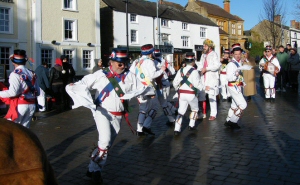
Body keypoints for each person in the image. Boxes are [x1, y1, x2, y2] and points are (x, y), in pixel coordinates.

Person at [66, 48, 149, 183]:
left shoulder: (131, 76)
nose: (122, 65)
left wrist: (148, 92)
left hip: (118, 115)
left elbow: (142, 88)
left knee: (106, 145)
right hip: (102, 112)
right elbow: (83, 83)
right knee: (104, 142)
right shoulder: (100, 75)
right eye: (118, 62)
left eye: (124, 62)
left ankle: (91, 168)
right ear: (111, 61)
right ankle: (97, 172)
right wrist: (74, 86)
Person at [131, 44, 166, 136]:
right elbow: (153, 75)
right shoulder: (149, 62)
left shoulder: (136, 61)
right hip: (149, 88)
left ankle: (139, 130)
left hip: (138, 88)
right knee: (155, 107)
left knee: (142, 109)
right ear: (151, 53)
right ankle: (146, 125)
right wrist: (162, 70)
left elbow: (130, 74)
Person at [0, 49, 39, 128]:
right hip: (32, 105)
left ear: (13, 62)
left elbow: (13, 92)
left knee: (12, 129)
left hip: (20, 106)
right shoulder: (32, 73)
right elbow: (37, 92)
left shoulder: (14, 74)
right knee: (25, 130)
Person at [172, 52, 204, 135]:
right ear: (193, 61)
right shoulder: (195, 71)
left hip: (182, 94)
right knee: (195, 109)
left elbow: (175, 82)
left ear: (185, 61)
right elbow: (197, 84)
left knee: (180, 112)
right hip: (191, 94)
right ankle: (191, 125)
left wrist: (177, 89)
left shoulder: (180, 70)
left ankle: (176, 129)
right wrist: (203, 88)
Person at [196, 39, 221, 121]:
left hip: (211, 79)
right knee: (201, 95)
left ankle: (213, 114)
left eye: (205, 46)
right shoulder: (203, 55)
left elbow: (217, 66)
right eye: (203, 46)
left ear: (210, 47)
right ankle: (202, 113)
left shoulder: (214, 54)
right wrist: (199, 70)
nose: (204, 47)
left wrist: (206, 68)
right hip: (203, 78)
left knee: (211, 96)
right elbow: (200, 64)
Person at [224, 43, 247, 129]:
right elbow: (229, 78)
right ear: (232, 54)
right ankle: (232, 121)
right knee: (243, 104)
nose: (238, 56)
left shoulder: (238, 62)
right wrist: (236, 74)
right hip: (233, 86)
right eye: (236, 54)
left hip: (237, 85)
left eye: (239, 54)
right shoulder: (231, 64)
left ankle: (227, 121)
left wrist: (243, 82)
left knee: (234, 105)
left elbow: (240, 75)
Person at [153, 49, 176, 126]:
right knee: (165, 101)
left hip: (160, 84)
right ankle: (173, 110)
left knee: (163, 103)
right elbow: (173, 72)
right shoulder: (165, 61)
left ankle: (172, 118)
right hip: (167, 82)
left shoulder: (152, 62)